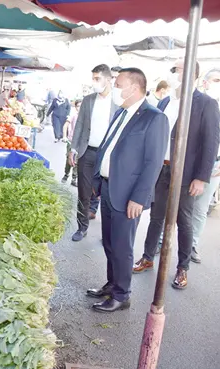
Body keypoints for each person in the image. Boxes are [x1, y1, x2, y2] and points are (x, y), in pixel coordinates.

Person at [133, 59, 220, 289]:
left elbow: (211, 143)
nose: (174, 73)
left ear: (193, 74)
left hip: (187, 172)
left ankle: (182, 268)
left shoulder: (206, 103)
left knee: (184, 219)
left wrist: (201, 177)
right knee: (156, 216)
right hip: (161, 168)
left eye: (178, 69)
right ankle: (148, 257)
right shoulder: (166, 101)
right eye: (173, 69)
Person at [88, 68, 169, 313]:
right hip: (109, 187)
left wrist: (139, 197)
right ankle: (112, 284)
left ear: (134, 87)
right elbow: (109, 146)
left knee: (122, 246)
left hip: (128, 195)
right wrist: (97, 180)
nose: (115, 88)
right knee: (110, 243)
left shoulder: (154, 118)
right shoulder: (122, 112)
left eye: (119, 84)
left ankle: (122, 295)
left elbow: (153, 163)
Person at [69, 64, 119, 241]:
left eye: (97, 79)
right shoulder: (89, 100)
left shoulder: (118, 101)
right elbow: (80, 125)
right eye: (93, 78)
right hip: (87, 152)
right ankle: (82, 227)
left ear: (108, 79)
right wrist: (73, 149)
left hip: (109, 155)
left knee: (109, 194)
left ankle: (109, 234)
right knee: (83, 191)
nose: (94, 82)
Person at [190, 68, 220, 263]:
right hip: (190, 163)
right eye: (216, 80)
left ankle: (192, 244)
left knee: (200, 209)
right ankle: (160, 241)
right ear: (206, 82)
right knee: (173, 206)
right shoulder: (197, 103)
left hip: (214, 167)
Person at [62, 100, 81, 186]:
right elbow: (65, 125)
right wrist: (64, 136)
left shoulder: (86, 117)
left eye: (81, 106)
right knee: (69, 159)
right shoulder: (73, 116)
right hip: (72, 141)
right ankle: (66, 174)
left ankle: (74, 178)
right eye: (78, 106)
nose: (80, 108)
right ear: (76, 107)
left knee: (77, 161)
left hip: (81, 143)